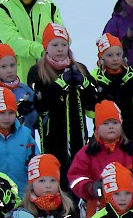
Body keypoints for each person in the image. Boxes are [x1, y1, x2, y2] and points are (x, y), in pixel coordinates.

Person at [28, 23, 96, 182]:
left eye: (64, 44)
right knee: (57, 178)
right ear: (46, 47)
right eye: (55, 44)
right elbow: (40, 104)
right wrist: (59, 85)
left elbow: (94, 103)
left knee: (79, 178)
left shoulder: (79, 68)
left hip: (78, 135)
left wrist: (84, 84)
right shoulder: (37, 72)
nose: (60, 49)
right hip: (52, 137)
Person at [67, 101, 133, 218]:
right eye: (106, 123)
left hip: (129, 211)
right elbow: (75, 178)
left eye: (115, 122)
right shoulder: (87, 153)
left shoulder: (132, 152)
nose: (111, 126)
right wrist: (90, 187)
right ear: (97, 127)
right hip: (97, 212)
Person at [89, 33, 133, 146]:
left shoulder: (130, 72)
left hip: (130, 132)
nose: (115, 59)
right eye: (110, 55)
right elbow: (91, 113)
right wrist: (102, 90)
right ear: (101, 58)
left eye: (118, 54)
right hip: (104, 134)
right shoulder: (95, 76)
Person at [0, 87, 38, 196]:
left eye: (11, 112)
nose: (7, 117)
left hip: (23, 195)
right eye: (2, 113)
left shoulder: (25, 134)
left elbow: (35, 163)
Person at [0, 43, 37, 133]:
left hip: (26, 143)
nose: (9, 70)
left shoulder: (24, 89)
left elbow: (39, 120)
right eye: (3, 66)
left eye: (12, 65)